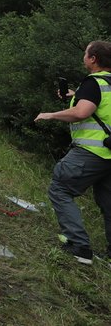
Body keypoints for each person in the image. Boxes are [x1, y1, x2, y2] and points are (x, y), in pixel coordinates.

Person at [34, 40, 111, 265]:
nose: (84, 56)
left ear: (93, 58)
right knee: (108, 203)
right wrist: (74, 95)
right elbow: (103, 106)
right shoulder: (104, 84)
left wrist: (51, 114)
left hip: (91, 152)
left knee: (60, 189)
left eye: (86, 53)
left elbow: (82, 112)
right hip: (109, 156)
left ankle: (79, 246)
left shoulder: (94, 82)